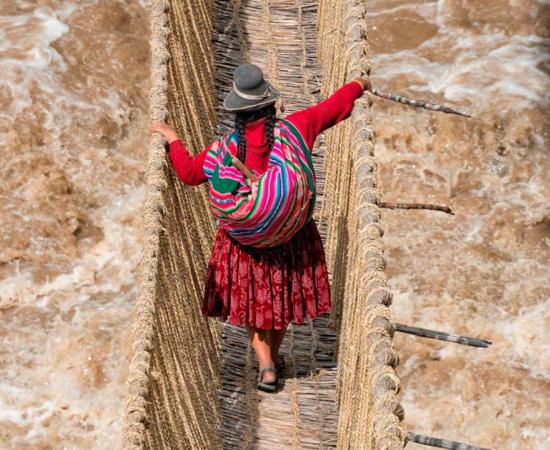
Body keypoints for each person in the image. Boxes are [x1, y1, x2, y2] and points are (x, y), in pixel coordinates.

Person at [149, 64, 371, 392]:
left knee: (252, 304)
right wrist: (359, 83)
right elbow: (335, 107)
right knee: (280, 301)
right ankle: (275, 357)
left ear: (237, 112)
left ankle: (266, 366)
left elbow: (190, 174)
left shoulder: (223, 148)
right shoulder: (296, 128)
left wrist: (173, 138)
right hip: (290, 238)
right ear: (271, 105)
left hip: (244, 245)